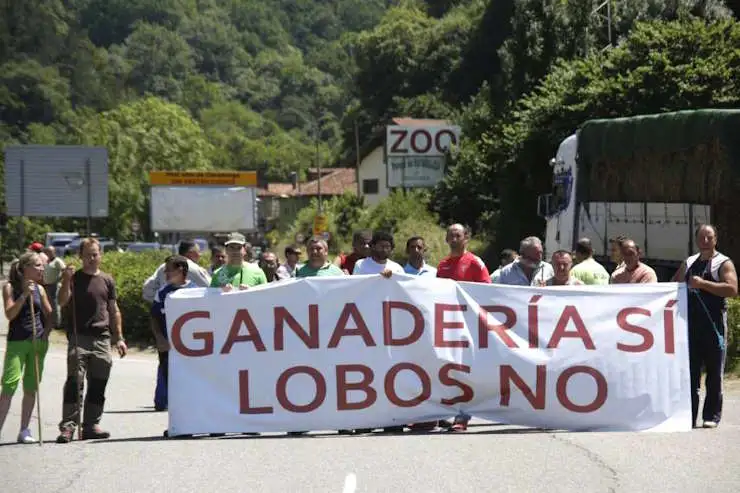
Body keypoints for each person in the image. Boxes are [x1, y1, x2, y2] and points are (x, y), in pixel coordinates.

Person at [56, 237, 128, 443]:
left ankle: (90, 424)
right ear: (80, 256)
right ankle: (68, 426)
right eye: (87, 255)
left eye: (95, 254)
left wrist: (119, 338)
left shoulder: (107, 279)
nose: (91, 258)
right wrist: (66, 280)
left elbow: (114, 310)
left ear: (101, 256)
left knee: (98, 383)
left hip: (102, 338)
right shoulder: (75, 278)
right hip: (80, 337)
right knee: (74, 382)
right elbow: (62, 301)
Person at [425, 224, 491, 433]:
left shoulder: (474, 262)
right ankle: (442, 414)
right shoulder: (443, 265)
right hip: (448, 325)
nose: (454, 238)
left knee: (465, 372)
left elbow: (487, 292)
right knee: (446, 369)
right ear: (446, 239)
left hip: (469, 327)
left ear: (466, 238)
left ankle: (462, 416)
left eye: (458, 235)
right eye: (450, 235)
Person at [672, 224, 738, 429]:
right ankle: (689, 415)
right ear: (696, 240)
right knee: (690, 374)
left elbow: (732, 289)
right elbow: (674, 284)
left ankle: (711, 416)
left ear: (716, 239)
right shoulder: (689, 262)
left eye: (709, 237)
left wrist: (703, 284)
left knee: (714, 374)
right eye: (702, 237)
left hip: (714, 326)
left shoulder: (723, 263)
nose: (705, 241)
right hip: (690, 327)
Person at [0, 252, 52, 444]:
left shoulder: (41, 289)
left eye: (41, 265)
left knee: (31, 387)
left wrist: (45, 334)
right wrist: (24, 295)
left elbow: (50, 314)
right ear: (24, 269)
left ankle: (24, 430)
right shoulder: (10, 287)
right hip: (17, 342)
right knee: (9, 385)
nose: (41, 268)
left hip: (37, 343)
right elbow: (10, 314)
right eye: (37, 265)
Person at [150, 256, 196, 412]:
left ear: (180, 269)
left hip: (192, 350)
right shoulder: (162, 293)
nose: (165, 273)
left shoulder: (196, 291)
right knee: (170, 384)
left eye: (168, 269)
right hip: (168, 349)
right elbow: (154, 318)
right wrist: (159, 338)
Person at [142, 239, 210, 303]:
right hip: (190, 312)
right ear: (190, 253)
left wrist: (163, 302)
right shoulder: (195, 269)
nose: (200, 255)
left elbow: (147, 288)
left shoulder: (164, 266)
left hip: (167, 312)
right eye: (198, 252)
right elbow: (211, 289)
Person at [43, 245, 66, 327]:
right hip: (46, 285)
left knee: (55, 304)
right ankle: (50, 321)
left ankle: (57, 323)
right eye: (47, 252)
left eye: (50, 251)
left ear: (54, 252)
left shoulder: (57, 261)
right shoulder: (47, 261)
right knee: (48, 304)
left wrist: (59, 279)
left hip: (54, 285)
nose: (48, 253)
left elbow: (64, 270)